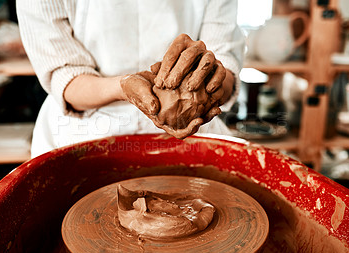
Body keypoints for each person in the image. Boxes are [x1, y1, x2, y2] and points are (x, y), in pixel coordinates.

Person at [17, 0, 245, 157]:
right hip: (87, 126)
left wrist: (210, 86)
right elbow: (64, 75)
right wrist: (123, 87)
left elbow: (225, 65)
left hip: (191, 122)